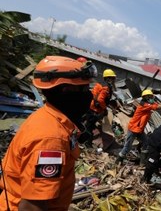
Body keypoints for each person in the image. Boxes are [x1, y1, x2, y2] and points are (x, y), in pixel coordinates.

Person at [0, 56, 96, 210]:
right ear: (66, 90)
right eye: (84, 89)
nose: (89, 95)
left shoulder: (48, 116)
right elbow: (32, 206)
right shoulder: (51, 140)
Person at [116, 89, 161, 162]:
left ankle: (142, 162)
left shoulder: (147, 104)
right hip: (133, 128)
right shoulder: (144, 105)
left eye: (151, 96)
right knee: (128, 146)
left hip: (139, 129)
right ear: (146, 97)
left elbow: (157, 105)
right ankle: (119, 160)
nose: (152, 98)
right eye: (150, 97)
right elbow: (157, 107)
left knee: (146, 143)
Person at [80, 68, 117, 145]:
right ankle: (86, 143)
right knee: (89, 126)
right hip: (95, 110)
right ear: (108, 78)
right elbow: (100, 100)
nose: (113, 80)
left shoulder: (100, 84)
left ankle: (84, 140)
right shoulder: (106, 87)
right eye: (112, 78)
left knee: (88, 124)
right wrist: (104, 108)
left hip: (91, 107)